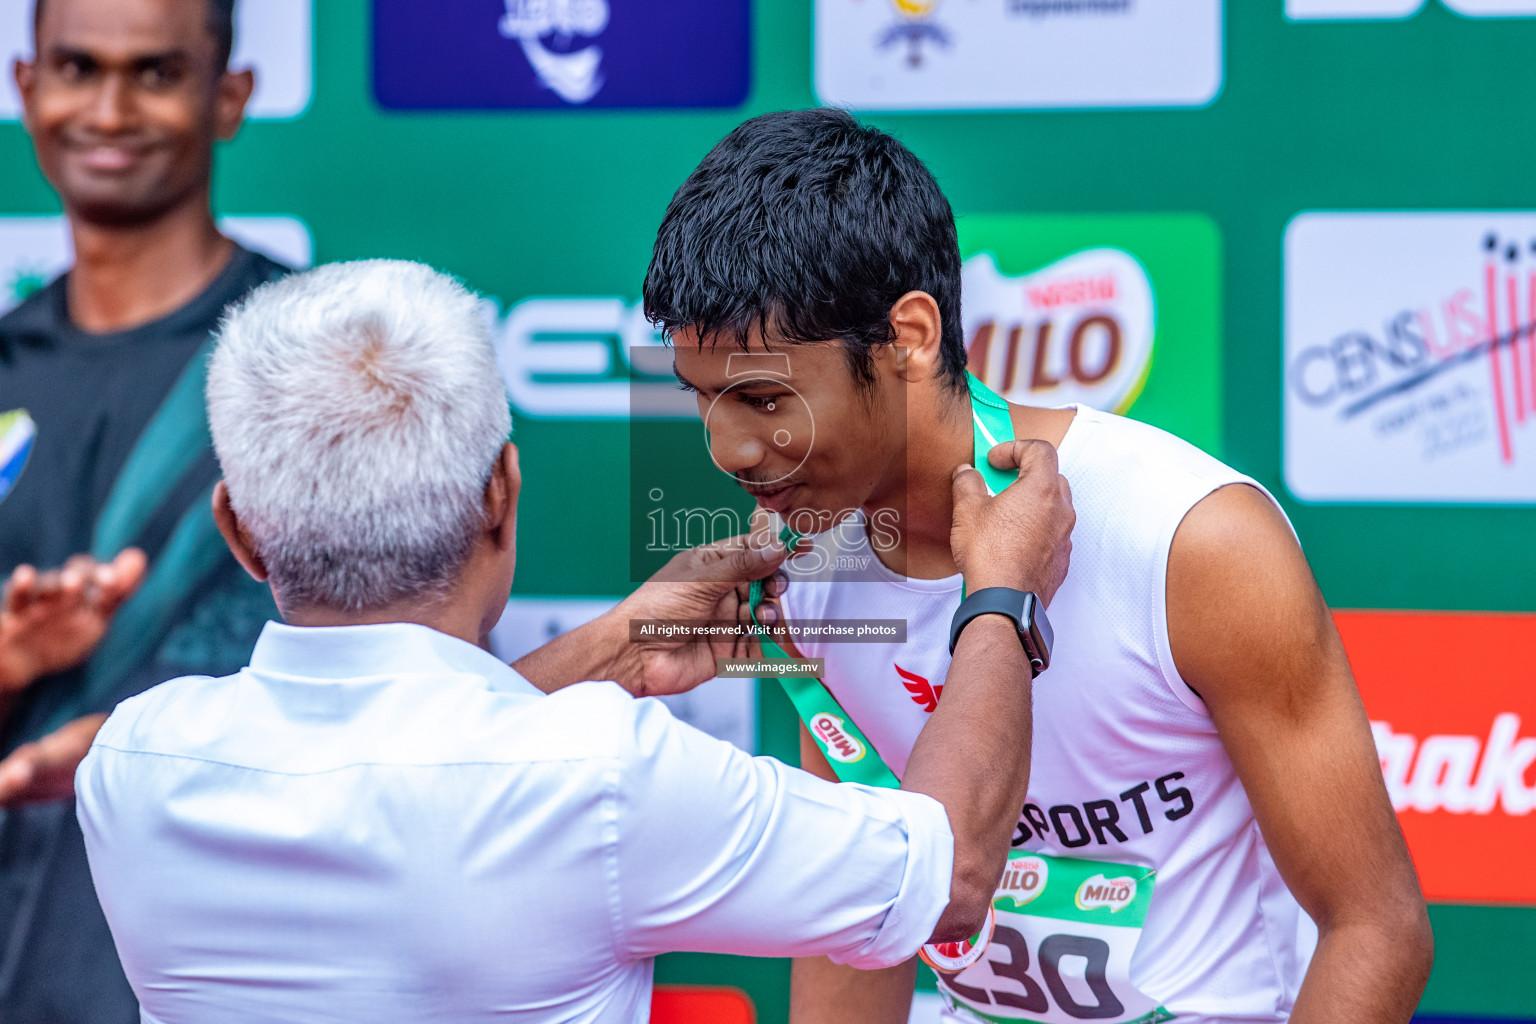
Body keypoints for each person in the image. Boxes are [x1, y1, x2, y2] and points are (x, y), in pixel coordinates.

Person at [74, 259, 1077, 1023]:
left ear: (239, 532)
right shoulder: (599, 776)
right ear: (503, 493)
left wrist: (615, 648)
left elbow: (387, 768)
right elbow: (949, 877)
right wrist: (1000, 595)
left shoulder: (133, 764)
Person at [641, 109, 1434, 1024]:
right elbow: (869, 917)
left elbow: (1376, 928)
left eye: (765, 398)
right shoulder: (808, 565)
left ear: (909, 337)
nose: (729, 450)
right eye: (702, 401)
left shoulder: (1190, 540)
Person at [0, 0, 283, 1016]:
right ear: (28, 88)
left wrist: (150, 738)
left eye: (156, 73)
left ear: (230, 97)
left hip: (224, 963)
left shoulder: (308, 361)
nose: (109, 109)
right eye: (77, 67)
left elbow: (405, 677)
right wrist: (11, 660)